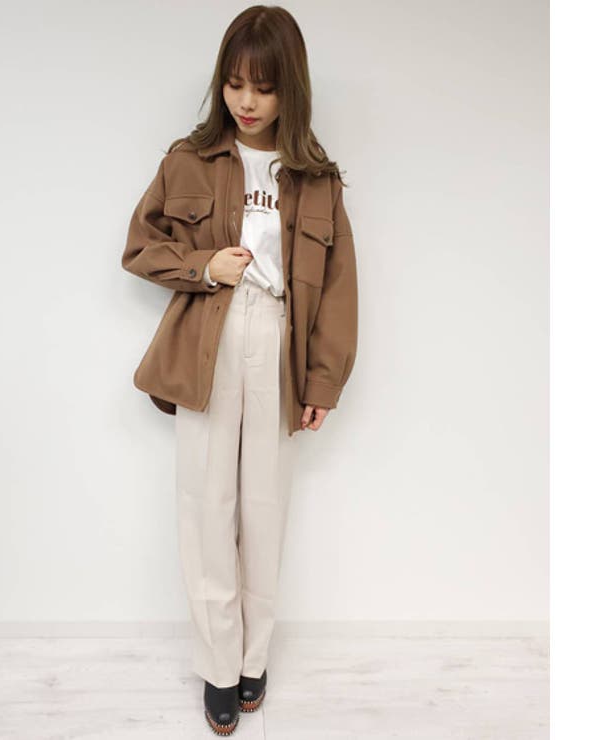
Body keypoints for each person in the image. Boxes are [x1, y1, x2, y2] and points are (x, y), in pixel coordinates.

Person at [121, 5, 358, 735]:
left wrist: (323, 382)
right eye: (234, 84)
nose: (246, 101)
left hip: (279, 343)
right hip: (210, 338)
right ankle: (219, 668)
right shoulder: (188, 160)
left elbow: (339, 291)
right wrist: (204, 265)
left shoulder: (317, 179)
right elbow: (139, 247)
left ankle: (256, 658)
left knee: (264, 509)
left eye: (264, 87)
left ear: (292, 89)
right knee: (206, 507)